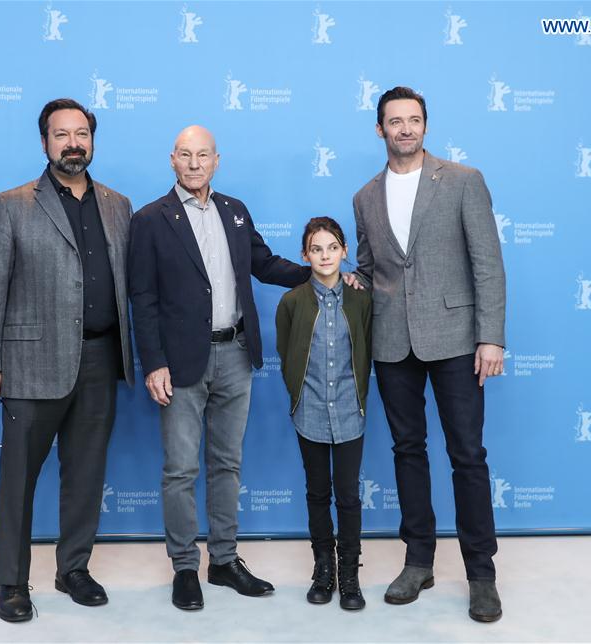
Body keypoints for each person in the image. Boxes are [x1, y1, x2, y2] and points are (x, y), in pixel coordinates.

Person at [128, 125, 314, 611]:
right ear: (172, 160)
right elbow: (142, 299)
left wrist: (317, 273)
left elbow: (265, 264)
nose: (194, 164)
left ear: (217, 161)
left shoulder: (235, 211)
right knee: (180, 469)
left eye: (203, 155)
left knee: (227, 464)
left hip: (235, 353)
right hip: (181, 361)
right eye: (185, 155)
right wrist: (154, 363)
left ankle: (225, 561)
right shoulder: (150, 219)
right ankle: (185, 567)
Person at [0, 98, 134, 622]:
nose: (72, 143)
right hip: (29, 363)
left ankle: (74, 569)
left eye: (81, 133)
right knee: (18, 476)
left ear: (92, 140)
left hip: (100, 358)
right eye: (61, 134)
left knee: (86, 473)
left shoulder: (117, 204)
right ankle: (12, 583)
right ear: (44, 143)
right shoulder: (12, 204)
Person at [352, 86, 507, 622]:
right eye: (395, 121)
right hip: (393, 343)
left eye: (414, 120)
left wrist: (492, 336)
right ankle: (418, 561)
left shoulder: (463, 181)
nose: (405, 129)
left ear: (425, 126)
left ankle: (481, 574)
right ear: (380, 130)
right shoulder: (365, 196)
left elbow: (487, 262)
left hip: (458, 339)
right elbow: (372, 271)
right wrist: (344, 282)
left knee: (468, 455)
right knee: (407, 451)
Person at [275, 217, 372, 610]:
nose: (325, 255)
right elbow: (286, 353)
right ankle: (323, 570)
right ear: (305, 255)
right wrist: (299, 396)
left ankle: (349, 573)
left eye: (332, 247)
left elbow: (366, 345)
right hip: (310, 412)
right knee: (318, 492)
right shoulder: (292, 302)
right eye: (316, 249)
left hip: (350, 411)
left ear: (344, 251)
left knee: (348, 495)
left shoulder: (361, 298)